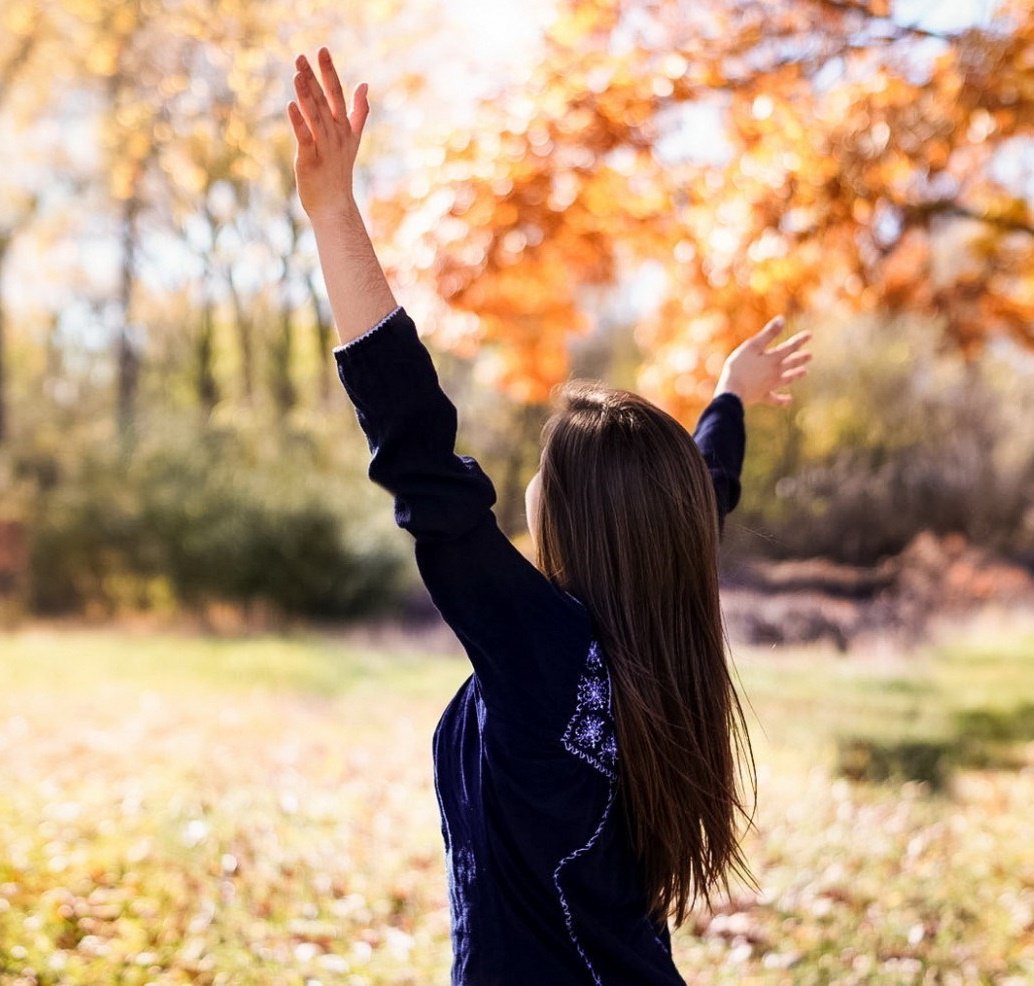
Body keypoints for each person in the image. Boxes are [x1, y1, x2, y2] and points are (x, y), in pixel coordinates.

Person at [287, 47, 813, 986]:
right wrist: (727, 396)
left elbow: (423, 460)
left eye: (541, 470)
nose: (524, 486)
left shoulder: (546, 651)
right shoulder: (656, 630)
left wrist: (335, 216)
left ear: (569, 514)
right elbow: (703, 490)